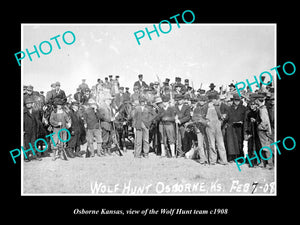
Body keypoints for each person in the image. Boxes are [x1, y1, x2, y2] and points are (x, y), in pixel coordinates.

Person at [204, 93, 228, 165]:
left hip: (217, 126)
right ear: (213, 100)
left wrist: (221, 119)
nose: (218, 101)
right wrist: (207, 123)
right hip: (210, 127)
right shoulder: (206, 107)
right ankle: (214, 160)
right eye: (217, 100)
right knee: (214, 144)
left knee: (218, 143)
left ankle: (222, 160)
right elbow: (202, 117)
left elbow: (221, 117)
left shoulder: (216, 106)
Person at [224, 94, 247, 162]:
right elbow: (227, 117)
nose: (237, 102)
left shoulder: (243, 108)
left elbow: (245, 118)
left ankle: (240, 157)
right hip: (231, 127)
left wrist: (242, 122)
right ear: (233, 100)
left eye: (238, 100)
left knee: (240, 142)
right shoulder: (229, 108)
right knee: (231, 142)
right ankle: (232, 157)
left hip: (240, 127)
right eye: (235, 100)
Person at [255, 93, 273, 169]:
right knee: (264, 147)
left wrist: (259, 127)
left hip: (263, 131)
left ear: (258, 100)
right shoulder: (262, 108)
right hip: (264, 131)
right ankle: (265, 163)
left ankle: (269, 164)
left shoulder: (262, 110)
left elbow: (265, 122)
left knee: (266, 147)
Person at [243, 98, 262, 167]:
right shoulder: (247, 112)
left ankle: (258, 161)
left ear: (256, 105)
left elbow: (261, 121)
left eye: (253, 105)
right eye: (251, 104)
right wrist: (246, 133)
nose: (252, 106)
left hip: (257, 131)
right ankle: (251, 161)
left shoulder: (258, 112)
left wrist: (256, 121)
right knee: (250, 146)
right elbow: (245, 123)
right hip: (250, 131)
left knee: (257, 146)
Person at [23, 97, 42, 162]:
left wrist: (38, 129)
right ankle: (26, 157)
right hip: (26, 131)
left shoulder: (35, 111)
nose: (28, 105)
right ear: (25, 105)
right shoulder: (24, 112)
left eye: (30, 103)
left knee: (34, 143)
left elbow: (37, 121)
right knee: (27, 144)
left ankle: (34, 155)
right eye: (27, 104)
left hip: (34, 130)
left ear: (32, 104)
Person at [192, 95, 209, 164]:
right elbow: (193, 118)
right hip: (198, 127)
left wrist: (203, 120)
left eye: (203, 101)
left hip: (206, 128)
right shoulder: (196, 109)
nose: (202, 102)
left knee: (207, 144)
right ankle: (202, 159)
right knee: (200, 145)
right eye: (201, 101)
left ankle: (208, 158)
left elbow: (209, 118)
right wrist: (197, 120)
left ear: (205, 101)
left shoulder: (208, 108)